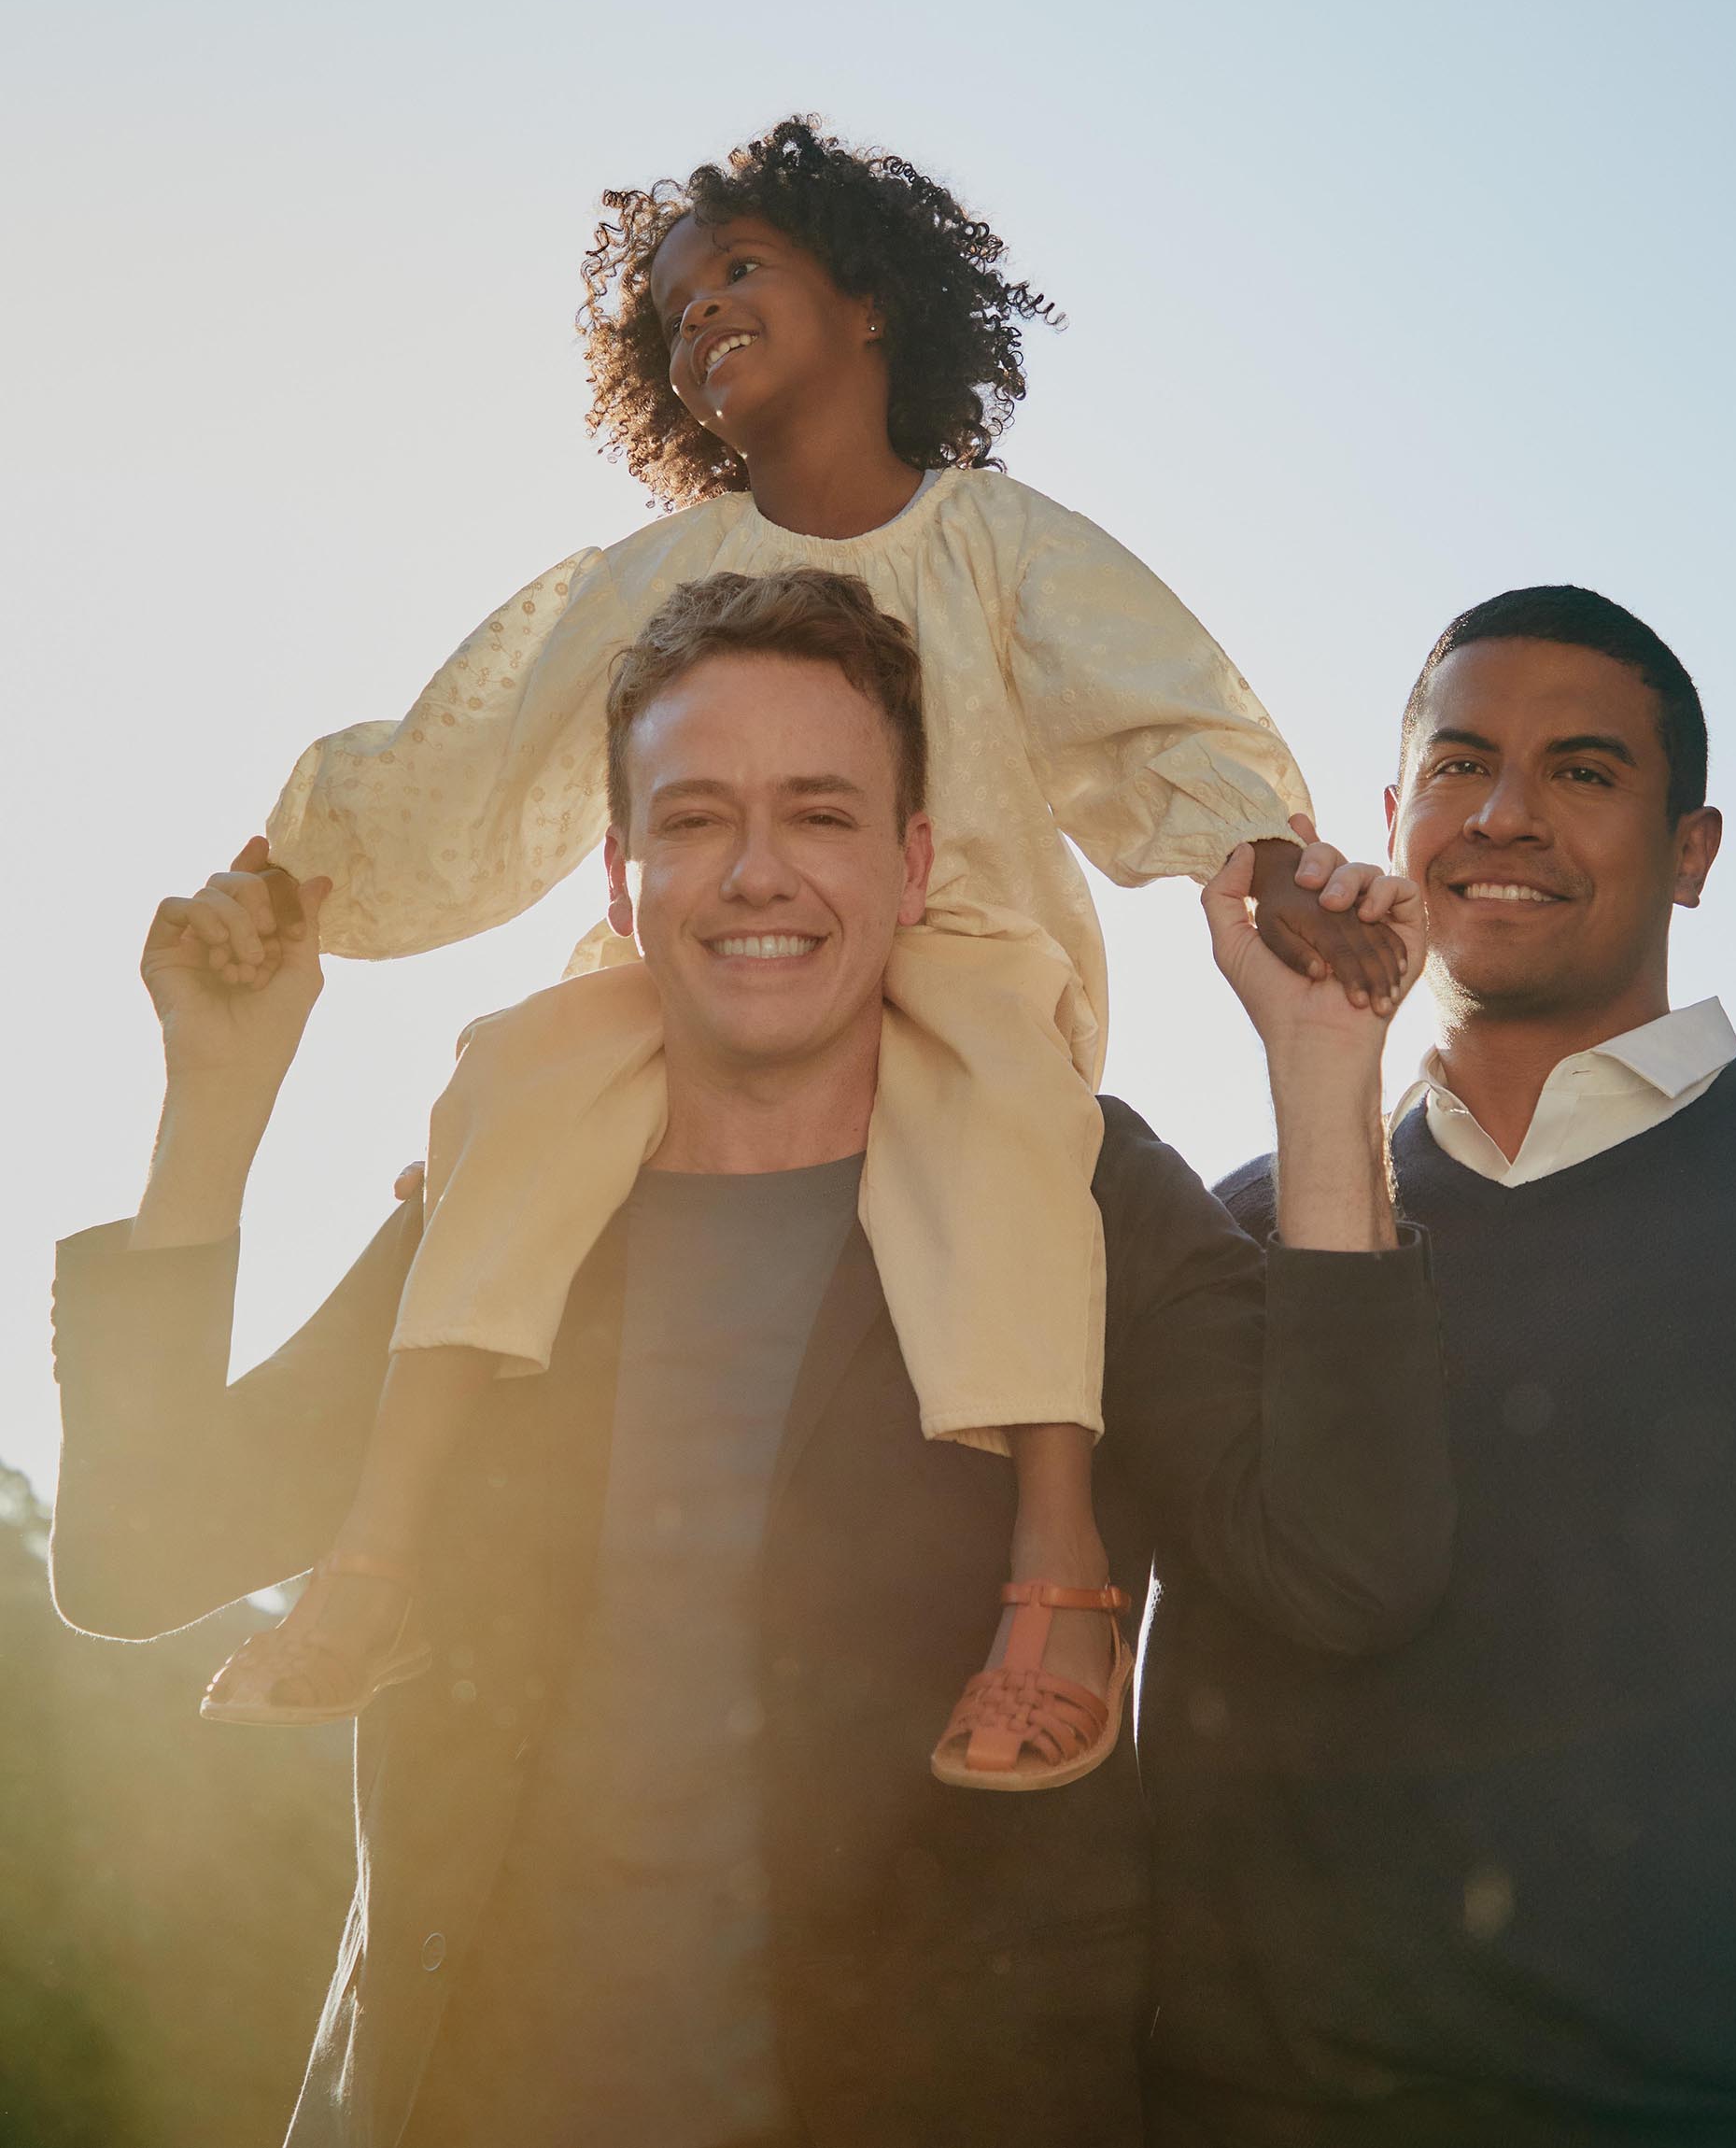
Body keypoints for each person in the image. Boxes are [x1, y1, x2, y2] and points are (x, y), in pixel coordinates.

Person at [52, 568, 1450, 2148]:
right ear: (622, 867)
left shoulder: (1077, 1188)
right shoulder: (503, 1201)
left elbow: (1344, 1567)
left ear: (916, 863)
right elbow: (135, 1551)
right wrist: (214, 1106)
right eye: (697, 815)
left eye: (823, 813)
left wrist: (1326, 1071)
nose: (757, 872)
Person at [193, 115, 1406, 1783]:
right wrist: (308, 866)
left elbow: (1153, 706)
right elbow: (494, 738)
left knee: (1009, 1120)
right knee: (515, 1076)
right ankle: (382, 1548)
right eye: (676, 311)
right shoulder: (662, 576)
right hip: (709, 975)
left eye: (740, 273)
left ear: (872, 300)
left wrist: (1255, 854)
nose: (703, 319)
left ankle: (1055, 1567)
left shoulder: (994, 539)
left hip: (963, 943)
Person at [1144, 584, 1736, 2147]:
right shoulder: (1226, 1238)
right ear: (1394, 813)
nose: (1505, 815)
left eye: (1583, 771)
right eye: (1460, 764)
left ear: (1692, 851)